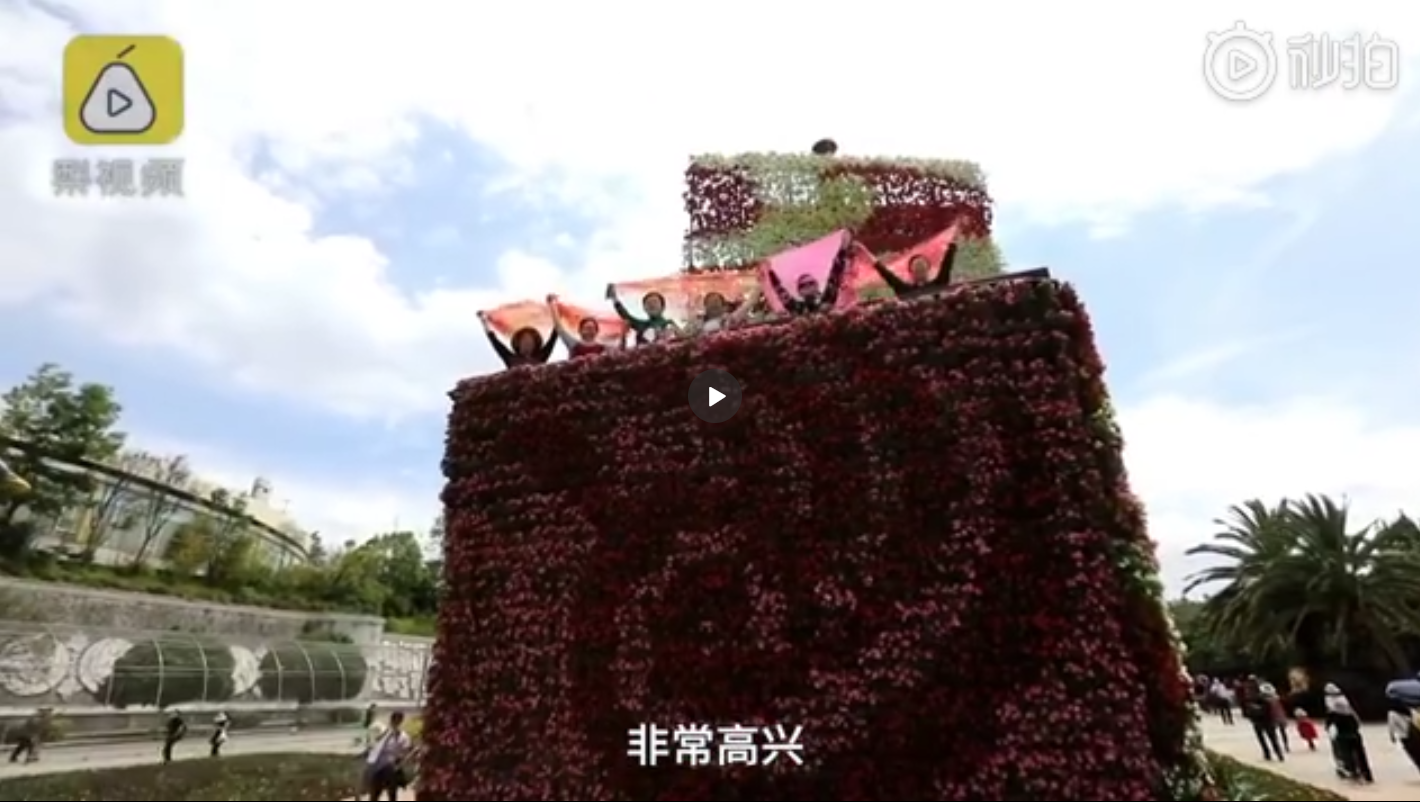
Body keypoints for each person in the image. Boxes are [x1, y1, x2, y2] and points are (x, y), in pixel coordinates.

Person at [766, 236, 854, 315]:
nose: (807, 287)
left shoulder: (799, 309)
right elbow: (835, 277)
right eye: (805, 285)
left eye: (808, 283)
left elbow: (835, 277)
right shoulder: (825, 304)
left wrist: (770, 272)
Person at [871, 243, 959, 299]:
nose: (919, 268)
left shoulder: (939, 283)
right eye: (917, 267)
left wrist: (952, 245)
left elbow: (947, 264)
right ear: (911, 272)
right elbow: (886, 274)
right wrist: (868, 256)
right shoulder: (905, 289)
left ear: (928, 269)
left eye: (922, 266)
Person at [1325, 683, 1373, 783]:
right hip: (1355, 735)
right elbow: (1358, 723)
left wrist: (1329, 728)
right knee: (1361, 755)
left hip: (1343, 737)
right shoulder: (1350, 711)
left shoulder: (1333, 713)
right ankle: (1367, 774)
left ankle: (1354, 773)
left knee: (1347, 755)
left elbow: (1329, 727)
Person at [364, 710, 413, 802]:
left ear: (401, 721)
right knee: (375, 793)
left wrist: (400, 762)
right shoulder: (382, 733)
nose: (396, 723)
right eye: (395, 720)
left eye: (399, 720)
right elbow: (372, 746)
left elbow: (406, 751)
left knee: (392, 793)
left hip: (392, 768)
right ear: (391, 720)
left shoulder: (403, 736)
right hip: (379, 767)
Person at [479, 312, 557, 368]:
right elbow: (494, 341)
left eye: (530, 342)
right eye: (524, 341)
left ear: (535, 344)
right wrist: (483, 321)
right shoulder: (511, 358)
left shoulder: (540, 357)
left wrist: (554, 308)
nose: (527, 344)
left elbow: (554, 336)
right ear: (518, 344)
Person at [607, 286, 679, 345]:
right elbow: (626, 316)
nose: (652, 305)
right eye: (648, 303)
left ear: (663, 307)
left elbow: (682, 339)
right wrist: (614, 299)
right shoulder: (641, 325)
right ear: (644, 309)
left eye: (655, 302)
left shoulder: (669, 324)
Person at [684, 288, 761, 337]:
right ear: (705, 306)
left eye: (716, 302)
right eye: (710, 302)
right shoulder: (696, 323)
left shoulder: (730, 320)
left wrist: (761, 283)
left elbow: (749, 304)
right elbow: (684, 336)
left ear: (724, 307)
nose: (713, 304)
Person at [1241, 684, 1284, 762]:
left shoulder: (1254, 700)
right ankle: (1279, 754)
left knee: (1262, 739)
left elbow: (1249, 712)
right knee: (1273, 739)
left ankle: (1267, 754)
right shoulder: (1272, 700)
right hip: (1269, 723)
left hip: (1258, 723)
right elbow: (1275, 713)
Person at [1260, 683, 1290, 753]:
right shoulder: (1276, 697)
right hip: (1279, 715)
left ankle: (1282, 745)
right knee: (1281, 732)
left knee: (1277, 732)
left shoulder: (1266, 699)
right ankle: (1284, 745)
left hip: (1275, 716)